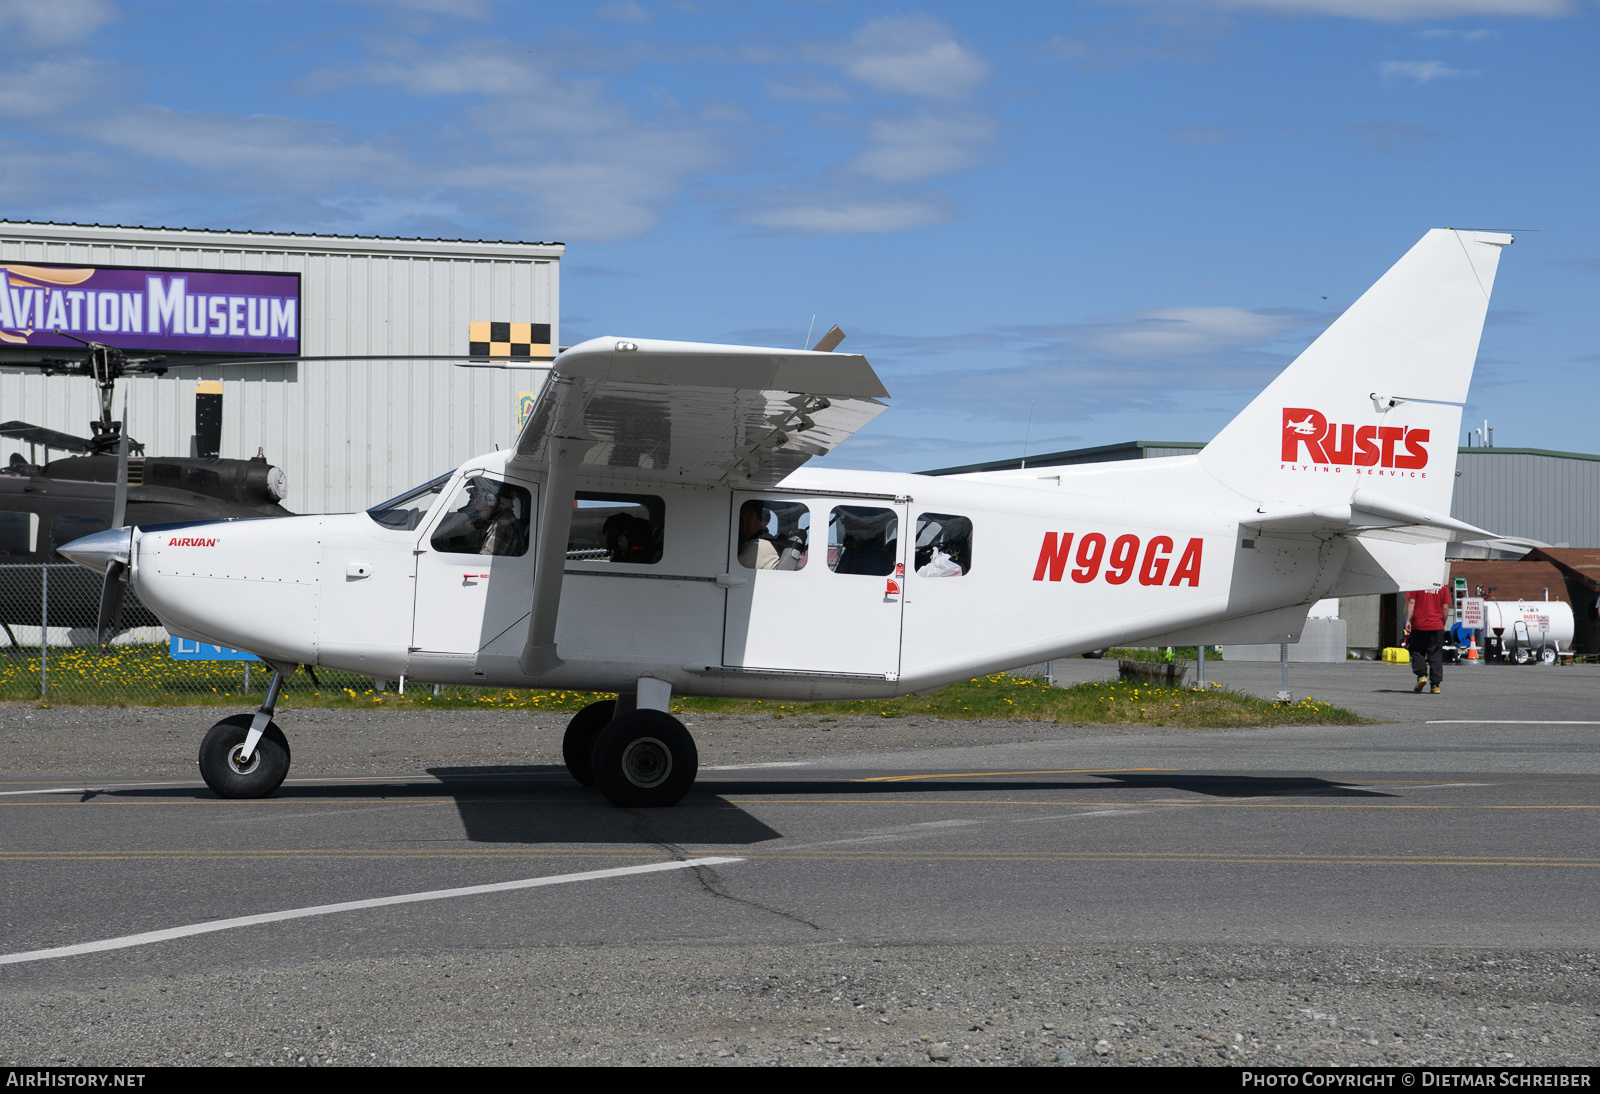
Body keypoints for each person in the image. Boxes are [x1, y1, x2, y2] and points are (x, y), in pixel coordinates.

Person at [1405, 584, 1452, 694]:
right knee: (1436, 654)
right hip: (1436, 625)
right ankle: (1435, 685)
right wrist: (1443, 623)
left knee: (1417, 650)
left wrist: (1408, 620)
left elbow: (1411, 602)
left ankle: (1421, 676)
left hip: (1419, 625)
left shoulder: (1419, 583)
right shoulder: (1443, 586)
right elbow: (1445, 607)